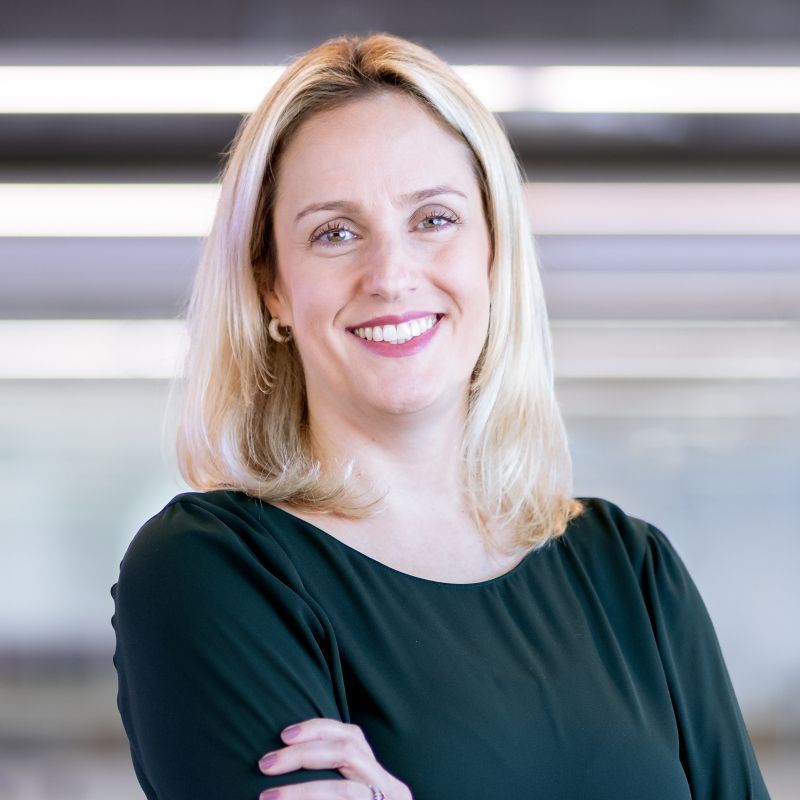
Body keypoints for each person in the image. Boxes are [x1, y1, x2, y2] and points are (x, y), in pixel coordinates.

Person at [110, 32, 770, 800]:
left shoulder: (632, 574)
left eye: (434, 219)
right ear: (273, 290)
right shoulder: (216, 573)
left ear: (493, 252)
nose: (390, 275)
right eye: (335, 232)